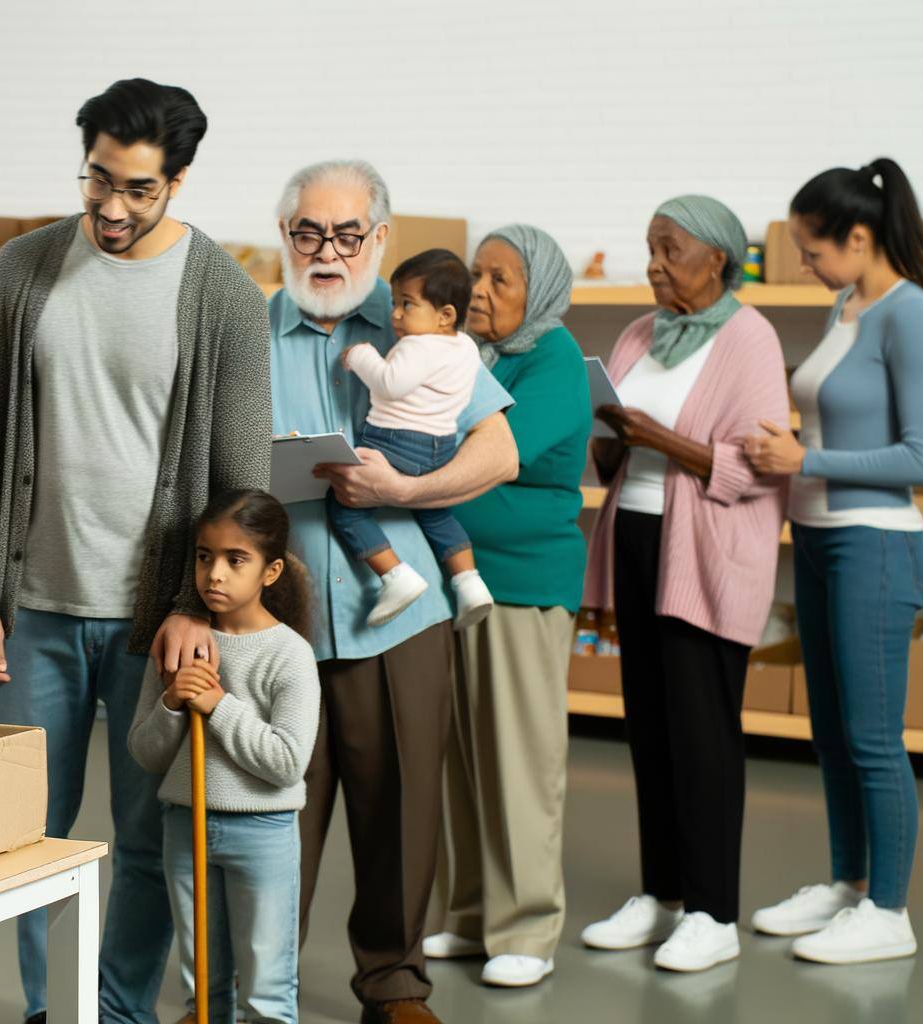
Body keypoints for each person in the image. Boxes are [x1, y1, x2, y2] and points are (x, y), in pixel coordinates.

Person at [0, 78, 272, 1024]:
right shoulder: (24, 269)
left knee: (143, 839)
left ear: (179, 180)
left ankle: (120, 1011)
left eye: (139, 189)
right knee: (28, 838)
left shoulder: (226, 299)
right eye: (99, 181)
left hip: (156, 624)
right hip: (31, 610)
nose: (113, 207)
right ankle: (51, 1010)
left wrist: (192, 604)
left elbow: (241, 489)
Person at [270, 159, 518, 1024]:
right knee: (273, 814)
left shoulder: (426, 335)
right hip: (277, 622)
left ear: (380, 239)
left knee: (403, 807)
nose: (327, 251)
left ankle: (394, 984)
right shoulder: (246, 333)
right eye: (309, 232)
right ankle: (261, 986)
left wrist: (403, 493)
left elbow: (500, 452)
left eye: (346, 234)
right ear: (287, 237)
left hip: (401, 617)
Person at [577, 196, 791, 973]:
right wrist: (604, 432)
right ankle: (662, 894)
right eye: (650, 249)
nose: (655, 265)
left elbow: (757, 467)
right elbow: (619, 452)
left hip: (703, 552)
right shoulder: (642, 331)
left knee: (703, 736)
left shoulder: (752, 339)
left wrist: (659, 438)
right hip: (635, 538)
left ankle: (714, 912)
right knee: (650, 727)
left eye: (670, 251)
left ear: (720, 262)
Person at [743, 158, 923, 965]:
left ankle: (890, 912)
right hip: (822, 540)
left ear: (860, 238)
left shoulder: (910, 313)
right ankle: (846, 885)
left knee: (872, 739)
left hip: (878, 544)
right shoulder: (845, 304)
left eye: (814, 248)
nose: (805, 263)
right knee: (830, 732)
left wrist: (806, 462)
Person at [424, 225, 590, 989]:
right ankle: (467, 914)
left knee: (519, 761)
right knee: (460, 756)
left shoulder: (551, 358)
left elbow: (495, 454)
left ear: (540, 295)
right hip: (456, 579)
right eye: (475, 276)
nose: (478, 292)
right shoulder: (472, 356)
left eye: (500, 281)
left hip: (522, 584)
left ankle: (526, 925)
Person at [128, 489, 320, 1024]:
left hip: (263, 832)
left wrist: (216, 705)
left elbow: (286, 761)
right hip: (184, 826)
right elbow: (145, 753)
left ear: (271, 571)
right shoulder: (179, 641)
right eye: (204, 556)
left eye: (236, 561)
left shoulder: (290, 655)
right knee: (205, 991)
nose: (215, 574)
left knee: (266, 994)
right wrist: (171, 702)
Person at [335, 249, 492, 627]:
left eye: (408, 304)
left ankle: (395, 576)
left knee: (345, 508)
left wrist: (360, 355)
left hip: (395, 441)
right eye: (394, 303)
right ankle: (469, 583)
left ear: (445, 315)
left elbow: (390, 384)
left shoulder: (417, 346)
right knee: (437, 513)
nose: (396, 315)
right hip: (440, 448)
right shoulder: (467, 347)